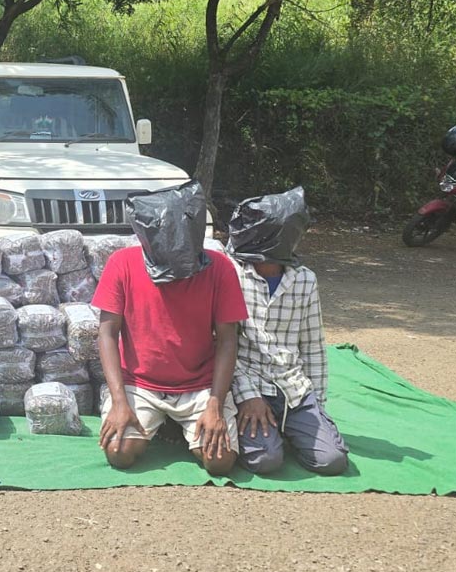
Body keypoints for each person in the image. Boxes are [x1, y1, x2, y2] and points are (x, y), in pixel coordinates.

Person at [93, 181, 247, 475]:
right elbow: (107, 333)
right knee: (119, 454)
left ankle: (177, 427)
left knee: (220, 462)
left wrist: (215, 404)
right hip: (140, 384)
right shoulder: (121, 264)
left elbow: (228, 340)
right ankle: (166, 424)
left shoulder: (220, 268)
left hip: (199, 384)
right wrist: (119, 402)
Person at [226, 187, 349, 476]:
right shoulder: (230, 273)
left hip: (294, 387)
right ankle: (271, 435)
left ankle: (294, 430)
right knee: (266, 461)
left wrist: (316, 403)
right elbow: (222, 344)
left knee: (331, 461)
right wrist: (247, 396)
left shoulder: (305, 280)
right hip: (251, 385)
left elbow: (313, 344)